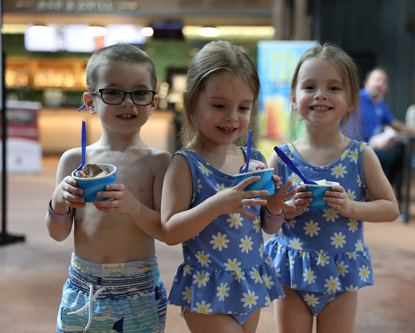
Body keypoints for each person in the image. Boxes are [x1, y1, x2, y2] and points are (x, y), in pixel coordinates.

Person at [160, 41, 295, 333]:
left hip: (249, 286)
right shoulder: (186, 165)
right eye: (219, 106)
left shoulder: (255, 160)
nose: (232, 117)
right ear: (192, 102)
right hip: (207, 293)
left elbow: (268, 227)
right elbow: (170, 231)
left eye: (243, 107)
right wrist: (218, 204)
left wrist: (274, 207)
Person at [264, 43, 400, 332]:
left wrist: (350, 207)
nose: (321, 95)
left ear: (351, 100)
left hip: (341, 271)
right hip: (291, 269)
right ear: (293, 97)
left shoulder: (361, 155)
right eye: (309, 87)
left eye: (334, 88)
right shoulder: (280, 157)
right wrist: (284, 210)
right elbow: (268, 223)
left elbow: (390, 208)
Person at [46, 44, 171, 332]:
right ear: (90, 102)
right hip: (82, 288)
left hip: (138, 292)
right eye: (113, 92)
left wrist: (133, 208)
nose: (128, 102)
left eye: (140, 93)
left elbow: (167, 232)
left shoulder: (159, 162)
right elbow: (57, 233)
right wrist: (59, 202)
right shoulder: (75, 160)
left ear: (153, 103)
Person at [348, 67, 415, 203]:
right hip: (350, 149)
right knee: (392, 159)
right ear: (367, 83)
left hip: (367, 149)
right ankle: (380, 196)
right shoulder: (354, 98)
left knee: (396, 158)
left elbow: (395, 124)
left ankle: (382, 196)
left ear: (386, 88)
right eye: (377, 80)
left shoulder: (381, 106)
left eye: (384, 81)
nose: (380, 83)